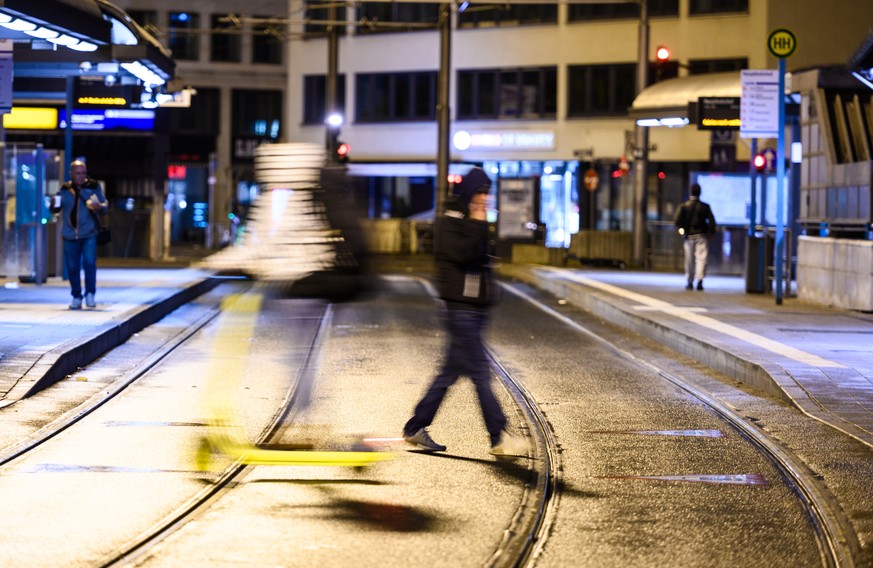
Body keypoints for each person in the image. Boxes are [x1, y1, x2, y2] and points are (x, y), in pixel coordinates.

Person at [403, 167, 525, 457]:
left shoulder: (471, 219)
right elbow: (465, 254)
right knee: (482, 374)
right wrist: (479, 222)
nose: (484, 199)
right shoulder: (451, 220)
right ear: (469, 193)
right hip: (461, 309)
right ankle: (499, 435)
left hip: (472, 309)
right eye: (480, 193)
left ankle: (415, 427)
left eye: (486, 193)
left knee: (447, 375)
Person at [51, 160, 108, 309]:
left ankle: (90, 294)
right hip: (69, 235)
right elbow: (55, 209)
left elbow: (104, 205)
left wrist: (99, 206)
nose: (81, 176)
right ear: (71, 174)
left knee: (89, 264)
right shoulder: (64, 189)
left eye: (83, 173)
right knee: (72, 267)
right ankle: (76, 296)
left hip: (89, 233)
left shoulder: (94, 186)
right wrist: (52, 204)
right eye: (78, 173)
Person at [674, 182, 717, 291]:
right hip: (702, 236)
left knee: (689, 260)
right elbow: (712, 222)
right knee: (701, 259)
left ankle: (689, 281)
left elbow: (677, 221)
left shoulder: (684, 206)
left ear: (690, 192)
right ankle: (700, 281)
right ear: (700, 192)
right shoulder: (705, 207)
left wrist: (682, 230)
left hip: (689, 236)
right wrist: (711, 233)